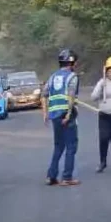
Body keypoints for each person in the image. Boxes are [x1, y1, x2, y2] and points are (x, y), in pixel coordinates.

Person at [43, 49, 81, 186]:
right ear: (71, 62)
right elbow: (71, 96)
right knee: (71, 146)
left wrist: (45, 114)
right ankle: (67, 177)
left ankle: (51, 176)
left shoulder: (52, 77)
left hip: (54, 115)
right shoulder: (72, 77)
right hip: (66, 115)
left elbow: (44, 94)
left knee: (58, 146)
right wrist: (69, 114)